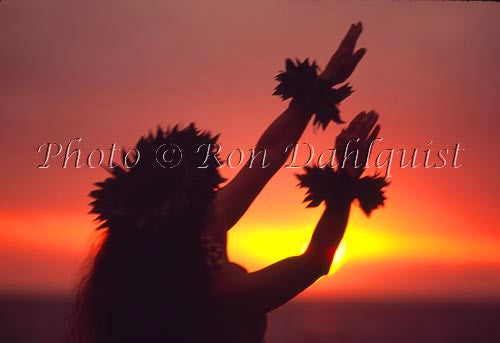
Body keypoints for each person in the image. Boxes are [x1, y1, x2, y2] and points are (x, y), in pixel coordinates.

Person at [70, 22, 382, 343]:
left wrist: (327, 79)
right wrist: (346, 176)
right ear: (186, 208)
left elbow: (269, 153)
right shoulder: (220, 290)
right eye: (206, 188)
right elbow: (315, 261)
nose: (215, 193)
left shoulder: (186, 235)